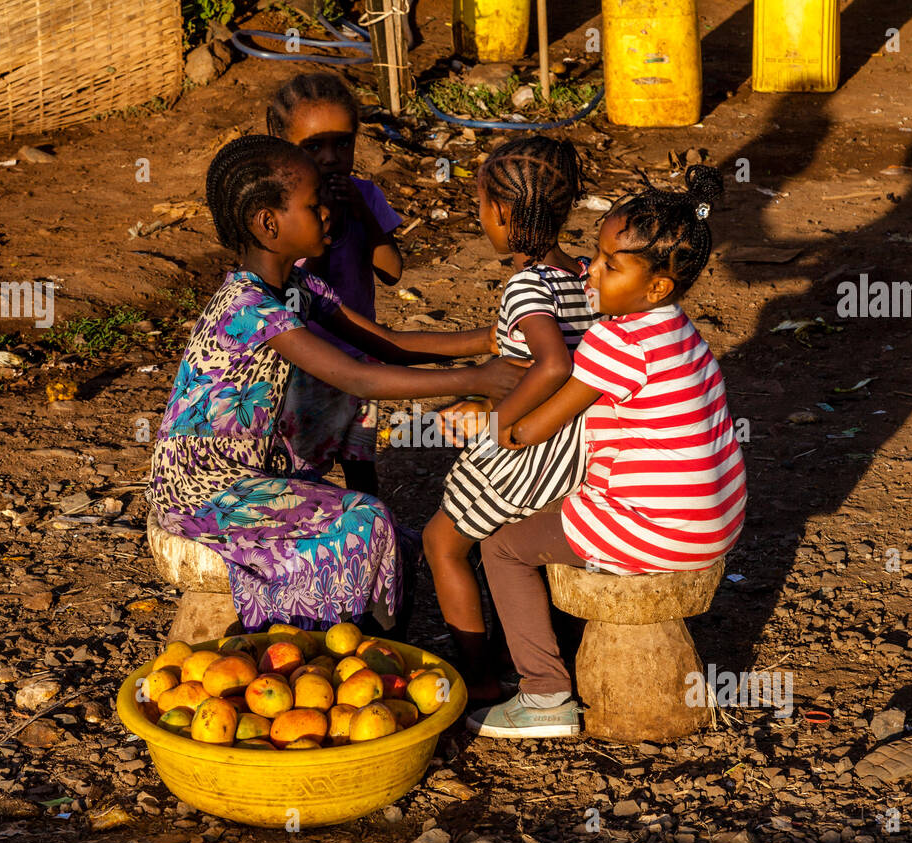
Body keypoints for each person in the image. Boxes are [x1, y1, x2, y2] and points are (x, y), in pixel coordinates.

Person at [146, 134, 526, 633]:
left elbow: (386, 342)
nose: (328, 212)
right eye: (312, 204)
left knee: (398, 537)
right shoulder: (249, 308)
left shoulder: (298, 288)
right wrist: (479, 379)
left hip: (249, 473)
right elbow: (356, 376)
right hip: (199, 490)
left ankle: (364, 657)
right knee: (366, 522)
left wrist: (496, 337)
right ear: (268, 223)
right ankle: (339, 653)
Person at [466, 166, 749, 737]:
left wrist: (489, 421)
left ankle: (543, 697)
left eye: (609, 264)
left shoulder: (616, 340)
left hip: (658, 529)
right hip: (719, 520)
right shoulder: (681, 332)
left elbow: (530, 430)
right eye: (595, 254)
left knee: (502, 546)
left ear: (657, 287)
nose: (589, 270)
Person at [420, 135, 600, 703]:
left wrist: (501, 427)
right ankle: (516, 651)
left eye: (479, 206)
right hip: (581, 446)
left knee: (442, 542)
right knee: (514, 543)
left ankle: (478, 678)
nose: (480, 218)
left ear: (500, 213)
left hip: (533, 445)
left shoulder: (526, 284)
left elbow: (552, 363)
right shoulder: (582, 272)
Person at [266, 72, 403, 496]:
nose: (330, 157)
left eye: (342, 143)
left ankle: (376, 530)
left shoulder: (365, 195)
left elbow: (392, 271)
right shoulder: (281, 208)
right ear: (282, 145)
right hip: (302, 362)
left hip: (361, 351)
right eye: (313, 147)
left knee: (360, 460)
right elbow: (303, 284)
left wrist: (361, 213)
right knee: (297, 464)